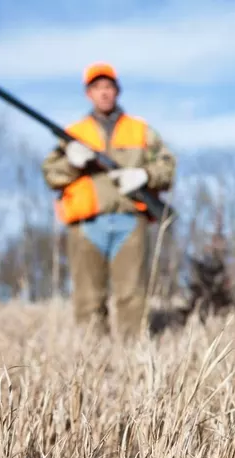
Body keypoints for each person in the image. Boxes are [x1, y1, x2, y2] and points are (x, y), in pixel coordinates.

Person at [41, 62, 176, 339]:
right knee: (88, 299)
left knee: (132, 296)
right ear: (88, 94)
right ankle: (93, 365)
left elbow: (168, 167)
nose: (103, 93)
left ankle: (132, 362)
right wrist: (71, 162)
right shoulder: (73, 134)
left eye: (108, 87)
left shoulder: (140, 130)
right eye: (97, 88)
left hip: (130, 221)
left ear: (117, 91)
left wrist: (144, 175)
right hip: (86, 225)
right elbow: (51, 174)